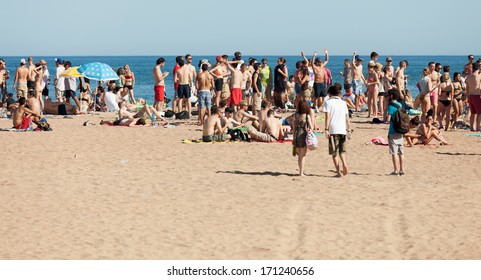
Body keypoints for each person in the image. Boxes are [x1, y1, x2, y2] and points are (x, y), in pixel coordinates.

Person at [323, 83, 350, 177]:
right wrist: (348, 129)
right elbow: (347, 117)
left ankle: (338, 172)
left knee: (334, 152)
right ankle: (345, 164)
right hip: (342, 129)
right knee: (342, 150)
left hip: (333, 129)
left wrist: (326, 129)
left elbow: (327, 116)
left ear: (330, 93)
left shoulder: (328, 102)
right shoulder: (343, 103)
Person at [386, 89, 405, 176]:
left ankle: (396, 170)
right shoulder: (400, 104)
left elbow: (388, 119)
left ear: (391, 96)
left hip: (393, 130)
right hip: (400, 130)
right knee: (401, 152)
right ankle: (402, 170)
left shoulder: (391, 106)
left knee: (394, 152)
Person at [292, 100, 313, 176]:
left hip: (297, 134)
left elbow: (294, 127)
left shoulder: (295, 115)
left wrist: (294, 137)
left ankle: (300, 171)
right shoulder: (307, 116)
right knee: (303, 155)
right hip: (303, 134)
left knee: (299, 154)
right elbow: (311, 127)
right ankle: (301, 172)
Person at [465, 62, 481, 131]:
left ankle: (472, 128)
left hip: (471, 96)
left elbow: (467, 88)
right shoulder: (478, 76)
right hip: (477, 95)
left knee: (473, 113)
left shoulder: (469, 77)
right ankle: (478, 127)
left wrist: (467, 97)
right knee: (479, 113)